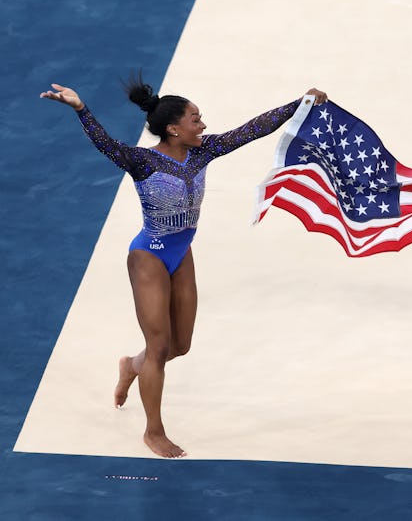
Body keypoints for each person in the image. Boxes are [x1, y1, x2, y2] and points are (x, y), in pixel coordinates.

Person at [41, 76, 328, 456]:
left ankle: (131, 366)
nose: (203, 125)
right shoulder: (142, 161)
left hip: (182, 250)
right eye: (195, 119)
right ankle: (153, 431)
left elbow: (252, 129)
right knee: (159, 347)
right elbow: (105, 144)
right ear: (174, 129)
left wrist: (298, 104)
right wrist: (81, 108)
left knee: (180, 346)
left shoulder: (204, 152)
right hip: (150, 254)